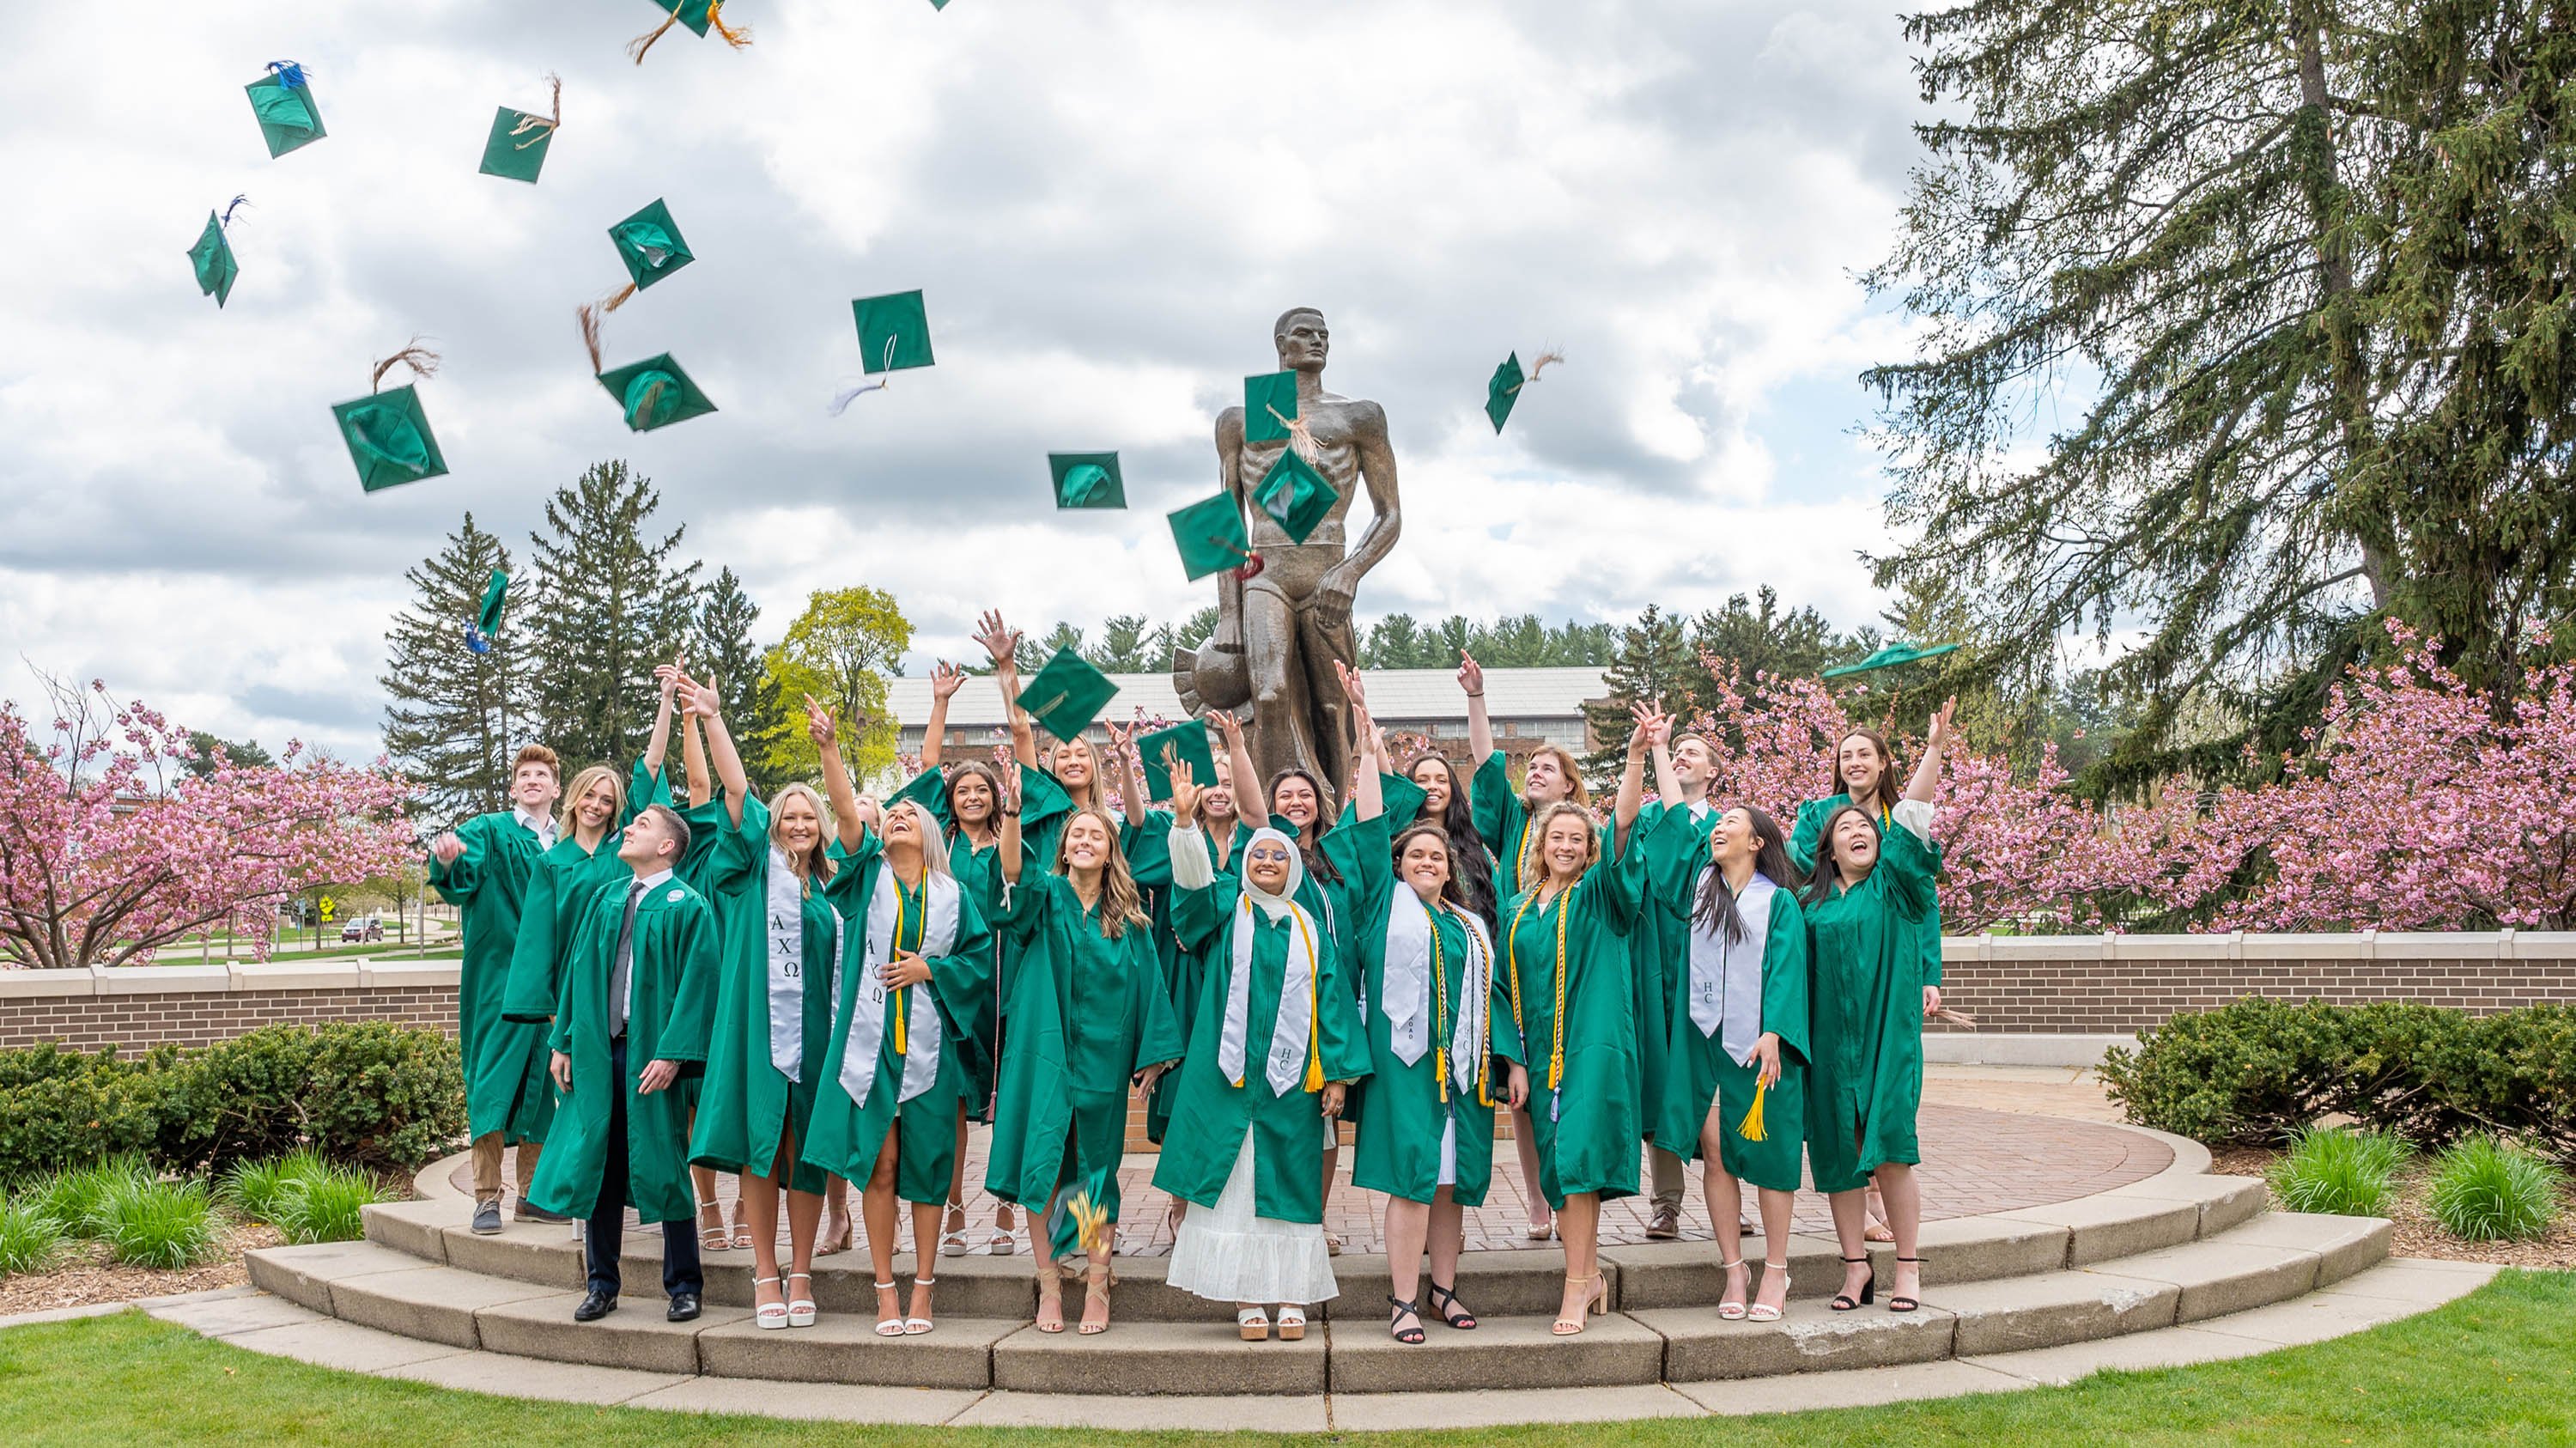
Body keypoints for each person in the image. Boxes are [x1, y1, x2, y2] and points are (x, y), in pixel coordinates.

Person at [1334, 678, 1527, 1345]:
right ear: (1400, 864)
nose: (1427, 861)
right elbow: (1366, 823)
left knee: (1450, 1183)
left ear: (1451, 868)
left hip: (1466, 1072)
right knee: (1413, 1182)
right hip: (1406, 1066)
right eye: (1415, 854)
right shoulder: (1382, 907)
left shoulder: (1470, 927)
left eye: (1436, 857)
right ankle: (1403, 1300)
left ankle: (1445, 1290)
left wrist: (1511, 1060)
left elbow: (1495, 994)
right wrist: (1367, 738)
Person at [1153, 755, 1370, 1342]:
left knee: (1290, 1183)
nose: (1269, 861)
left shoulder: (1308, 926)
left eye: (1280, 855)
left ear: (1295, 866)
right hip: (1228, 1080)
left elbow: (1333, 1002)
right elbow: (1193, 889)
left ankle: (1291, 1294)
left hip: (1292, 1083)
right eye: (1258, 855)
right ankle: (1248, 1296)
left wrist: (1340, 1076)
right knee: (1237, 1182)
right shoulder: (1227, 911)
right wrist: (1182, 825)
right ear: (1245, 866)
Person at [804, 698, 996, 1337]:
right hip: (870, 1047)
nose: (899, 822)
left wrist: (931, 971)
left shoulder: (954, 895)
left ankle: (924, 1288)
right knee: (879, 1165)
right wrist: (830, 749)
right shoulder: (866, 881)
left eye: (911, 816)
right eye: (894, 817)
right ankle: (885, 1289)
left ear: (929, 834)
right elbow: (846, 821)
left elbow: (977, 958)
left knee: (928, 1174)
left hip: (931, 1055)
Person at [667, 674, 844, 1330]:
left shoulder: (831, 891)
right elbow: (734, 792)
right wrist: (714, 720)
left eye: (807, 816)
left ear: (819, 828)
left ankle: (803, 1272)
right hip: (759, 1036)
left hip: (818, 1039)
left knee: (807, 1153)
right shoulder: (746, 873)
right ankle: (765, 1271)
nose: (798, 824)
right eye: (788, 817)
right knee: (760, 1153)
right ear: (775, 828)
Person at [991, 775, 1186, 1335]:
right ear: (1064, 847)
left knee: (1095, 1175)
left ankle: (1097, 1282)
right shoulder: (1042, 898)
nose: (1084, 841)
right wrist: (1011, 811)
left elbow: (1151, 988)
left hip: (1102, 1056)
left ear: (1109, 851)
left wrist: (1153, 1055)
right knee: (1043, 1168)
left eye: (1095, 836)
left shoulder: (1129, 920)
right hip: (1043, 1054)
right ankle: (1051, 1282)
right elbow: (1008, 878)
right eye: (1076, 834)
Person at [523, 803, 720, 1324]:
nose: (628, 828)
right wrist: (563, 1041)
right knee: (598, 1163)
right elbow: (577, 973)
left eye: (642, 826)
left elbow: (699, 985)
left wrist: (675, 1053)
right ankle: (601, 1284)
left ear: (667, 846)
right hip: (599, 1049)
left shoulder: (688, 905)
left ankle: (684, 1285)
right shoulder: (606, 897)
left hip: (653, 1053)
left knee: (665, 1163)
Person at [894, 640, 1053, 1259]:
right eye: (962, 792)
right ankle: (956, 1207)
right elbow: (929, 771)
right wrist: (938, 704)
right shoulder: (943, 848)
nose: (970, 796)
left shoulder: (1014, 840)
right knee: (956, 1103)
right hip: (950, 985)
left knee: (1010, 1095)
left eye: (981, 790)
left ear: (996, 796)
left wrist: (1008, 675)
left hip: (1008, 977)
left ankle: (1008, 1213)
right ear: (951, 803)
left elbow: (1024, 749)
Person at [1499, 710, 1651, 1335]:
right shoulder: (1515, 908)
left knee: (1580, 1159)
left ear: (1588, 851)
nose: (1564, 846)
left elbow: (1621, 830)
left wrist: (1637, 760)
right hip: (1538, 1058)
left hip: (1592, 1049)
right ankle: (1588, 1279)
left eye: (1576, 840)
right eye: (1555, 839)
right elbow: (1502, 990)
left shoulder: (1598, 895)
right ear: (1539, 847)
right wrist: (1511, 1061)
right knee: (1559, 1168)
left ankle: (1575, 1288)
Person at [1805, 700, 1956, 1316]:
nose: (1859, 832)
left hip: (1886, 1042)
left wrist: (1935, 751)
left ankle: (1910, 1269)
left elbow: (1914, 814)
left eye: (1865, 828)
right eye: (1845, 830)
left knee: (1891, 1147)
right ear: (1829, 849)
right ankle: (1855, 1270)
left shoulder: (1895, 884)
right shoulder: (1808, 904)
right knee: (1839, 1157)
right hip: (1827, 1046)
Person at [1643, 794, 1809, 1322]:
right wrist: (1661, 753)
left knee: (1770, 1159)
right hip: (1703, 1043)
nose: (1719, 828)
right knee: (1714, 1155)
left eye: (1731, 823)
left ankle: (1776, 1270)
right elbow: (1668, 849)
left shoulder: (1777, 901)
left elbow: (1787, 968)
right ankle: (1735, 1269)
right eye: (1717, 823)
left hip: (1760, 1046)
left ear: (1757, 842)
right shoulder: (1700, 893)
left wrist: (1776, 1031)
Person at [1458, 651, 1591, 1243]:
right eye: (1530, 765)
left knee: (1570, 1088)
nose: (1534, 771)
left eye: (1546, 766)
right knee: (1523, 1092)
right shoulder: (1513, 824)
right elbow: (1487, 765)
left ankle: (1571, 1197)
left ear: (1569, 783)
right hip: (1518, 965)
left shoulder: (1587, 835)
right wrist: (1477, 698)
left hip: (1572, 972)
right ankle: (1539, 1200)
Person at [430, 742, 565, 1235]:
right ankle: (487, 1197)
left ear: (555, 787)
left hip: (554, 986)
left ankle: (533, 1195)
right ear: (514, 786)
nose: (533, 780)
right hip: (499, 983)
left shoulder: (566, 841)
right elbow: (458, 878)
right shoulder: (489, 830)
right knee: (491, 1086)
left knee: (549, 1088)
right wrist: (446, 860)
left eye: (542, 775)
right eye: (524, 774)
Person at [1634, 725, 1728, 1239]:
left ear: (1713, 772)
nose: (1684, 758)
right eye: (1678, 753)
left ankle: (1726, 1193)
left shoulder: (1727, 825)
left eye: (1694, 753)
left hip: (1707, 967)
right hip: (1654, 961)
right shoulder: (1647, 819)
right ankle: (1665, 1202)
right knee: (1661, 1080)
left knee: (1711, 1078)